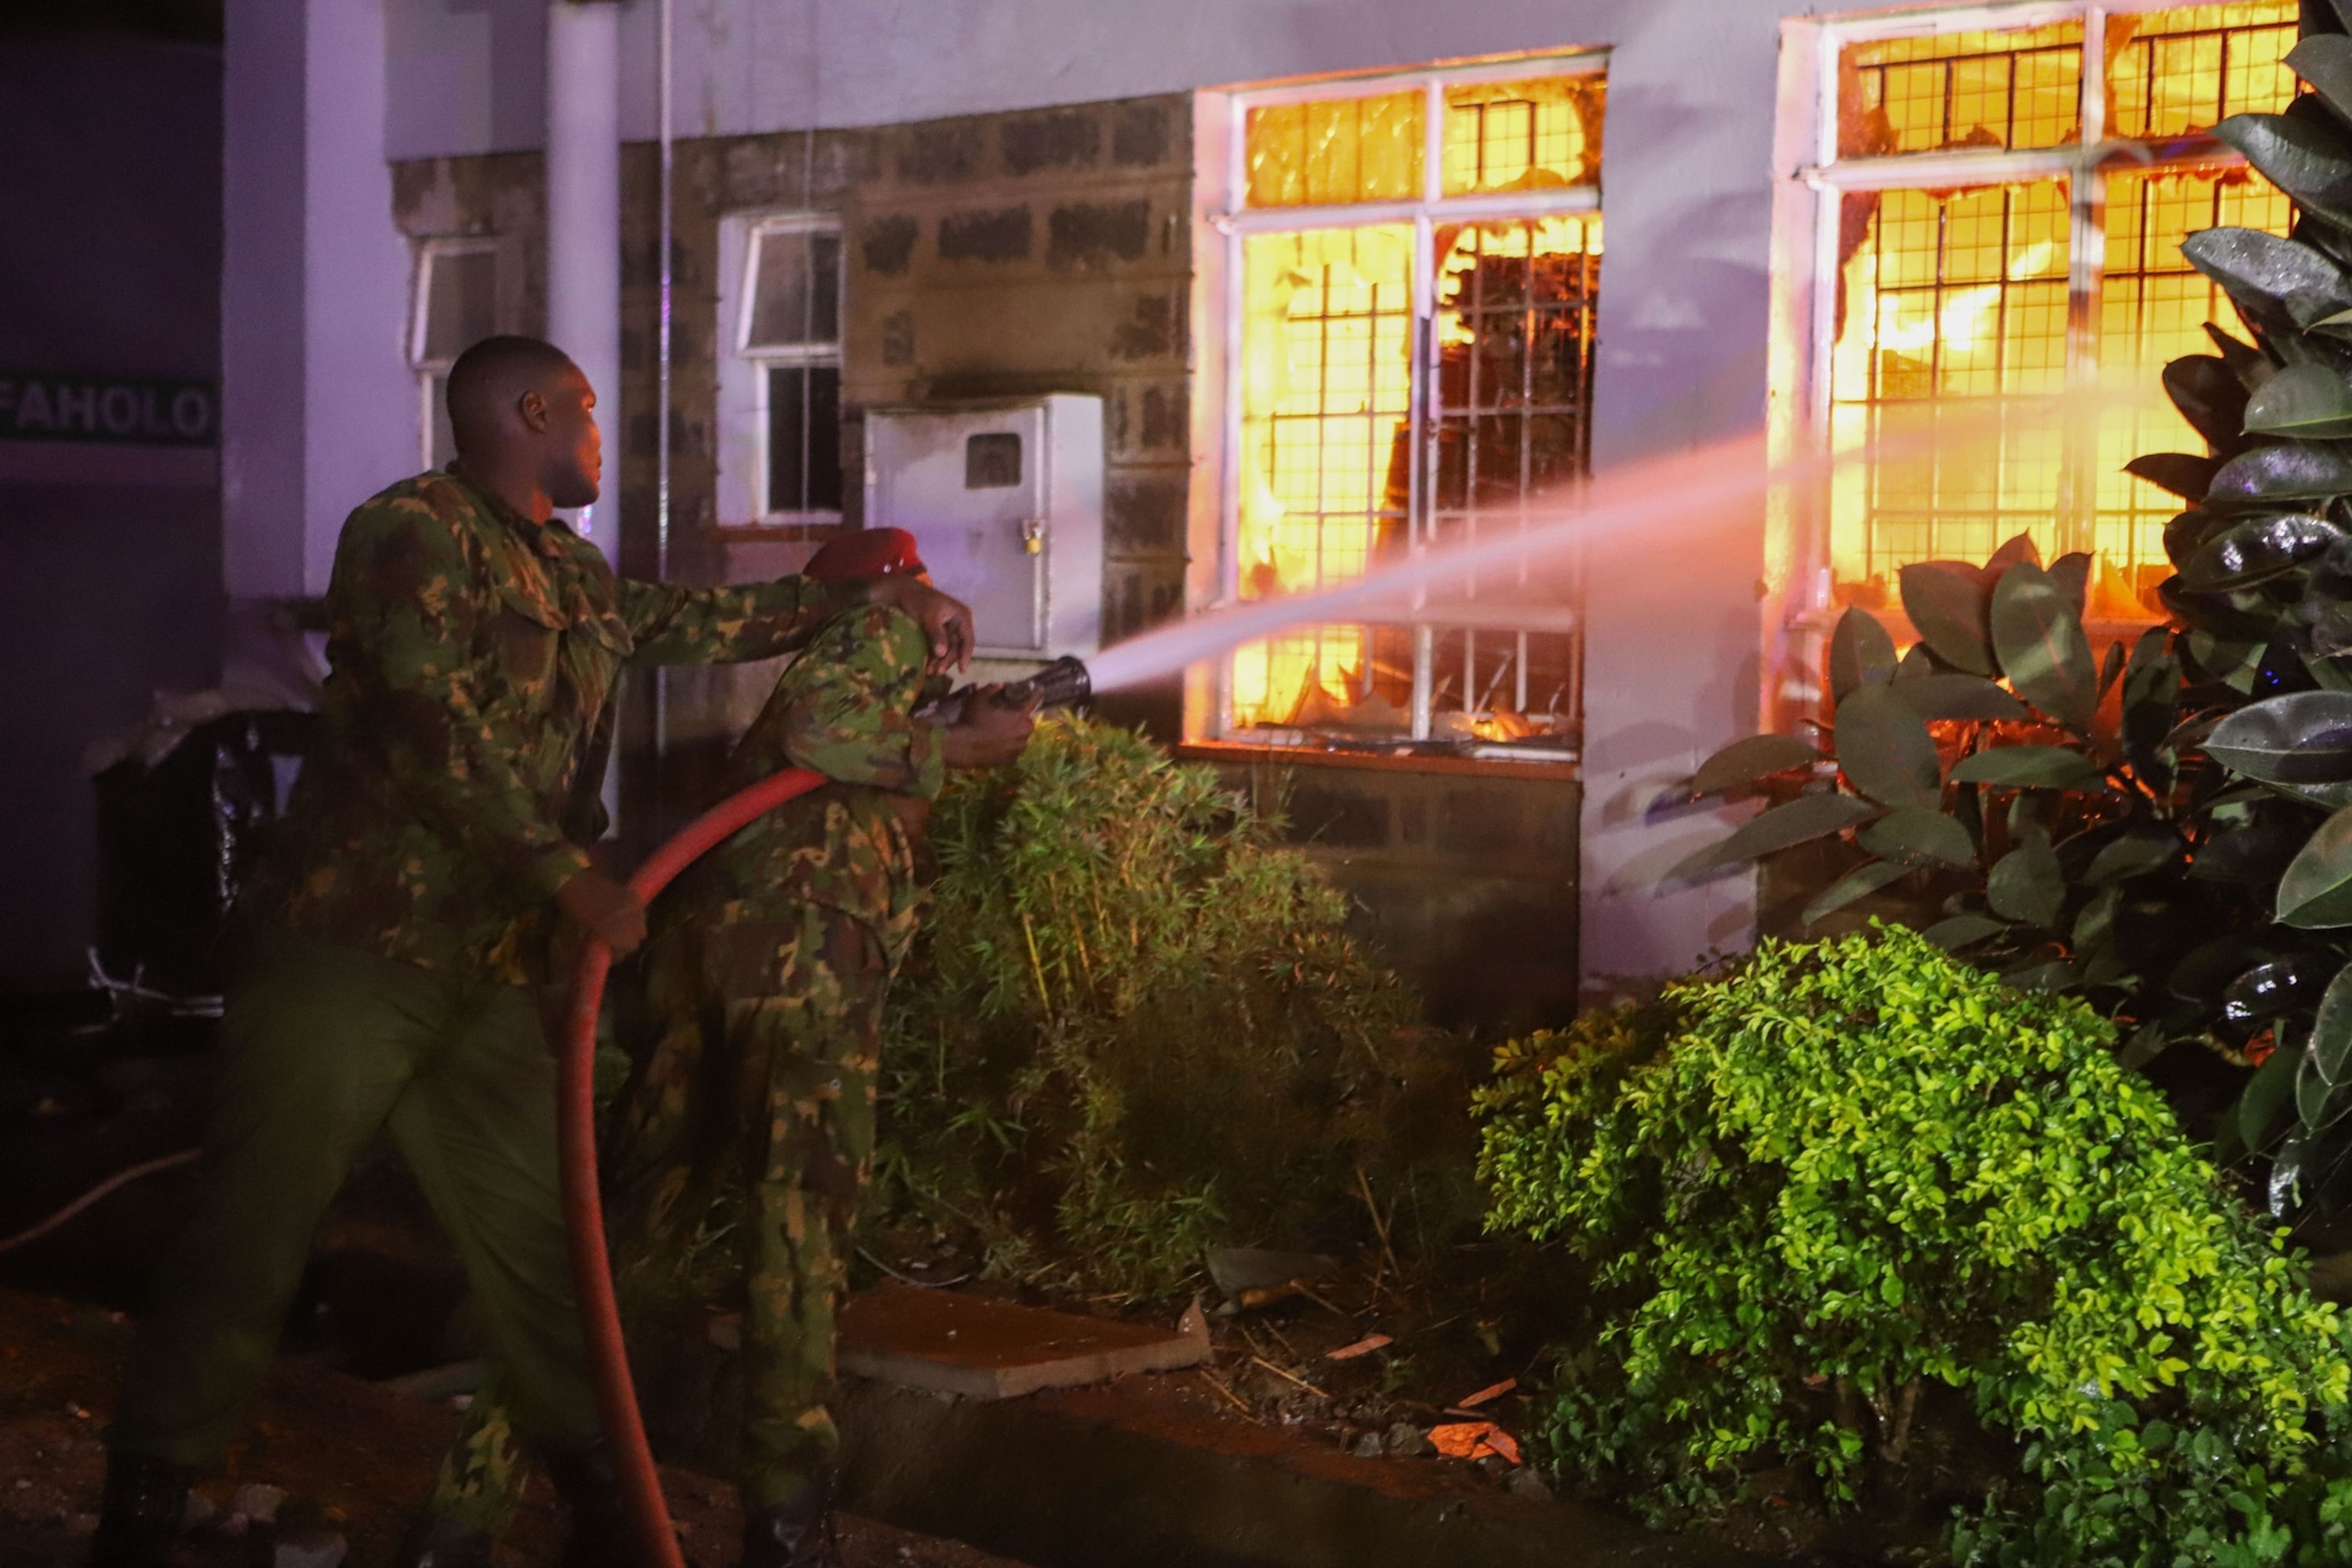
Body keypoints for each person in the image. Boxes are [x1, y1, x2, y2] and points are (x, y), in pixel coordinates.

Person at [90, 338, 975, 1568]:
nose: (602, 441)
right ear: (532, 412)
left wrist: (863, 600)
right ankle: (144, 1507)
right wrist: (566, 876)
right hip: (352, 953)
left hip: (488, 972)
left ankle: (599, 1514)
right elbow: (424, 724)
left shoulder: (569, 570)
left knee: (550, 1261)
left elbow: (691, 623)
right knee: (253, 1230)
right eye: (592, 417)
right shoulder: (411, 532)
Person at [607, 527, 1031, 1567]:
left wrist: (942, 736)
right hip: (803, 975)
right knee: (796, 1247)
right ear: (883, 592)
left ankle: (473, 1503)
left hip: (704, 965)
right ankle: (786, 1525)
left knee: (616, 1237)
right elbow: (818, 723)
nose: (935, 624)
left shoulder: (859, 684)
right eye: (915, 595)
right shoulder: (877, 635)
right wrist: (960, 746)